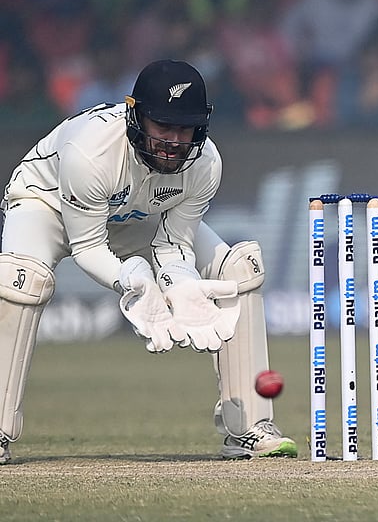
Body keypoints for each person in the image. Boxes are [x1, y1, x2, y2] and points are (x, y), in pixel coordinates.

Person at [0, 60, 297, 464]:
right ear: (136, 116)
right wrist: (133, 280)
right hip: (46, 206)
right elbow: (87, 248)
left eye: (185, 129)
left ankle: (249, 427)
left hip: (135, 217)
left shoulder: (206, 163)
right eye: (163, 127)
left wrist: (181, 284)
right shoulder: (91, 153)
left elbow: (174, 245)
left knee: (238, 270)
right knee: (22, 280)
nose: (173, 142)